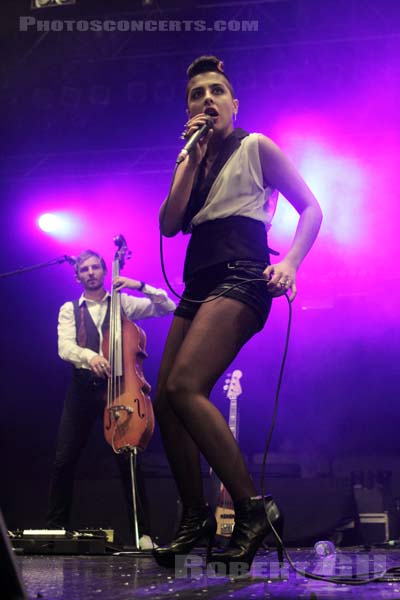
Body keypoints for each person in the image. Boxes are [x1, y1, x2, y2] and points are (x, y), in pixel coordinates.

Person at [153, 56, 323, 572]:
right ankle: (196, 515)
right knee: (164, 400)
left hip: (242, 276)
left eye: (217, 91)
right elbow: (168, 225)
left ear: (233, 103)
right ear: (187, 109)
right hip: (197, 283)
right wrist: (188, 157)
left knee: (186, 386)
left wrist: (290, 263)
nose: (207, 99)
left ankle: (253, 508)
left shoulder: (256, 147)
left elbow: (311, 208)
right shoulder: (192, 159)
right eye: (196, 94)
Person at [46, 249, 176, 550]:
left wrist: (138, 285)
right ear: (77, 275)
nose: (90, 273)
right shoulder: (69, 309)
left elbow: (166, 306)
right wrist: (91, 356)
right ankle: (54, 530)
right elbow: (64, 348)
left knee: (128, 459)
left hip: (120, 389)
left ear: (105, 271)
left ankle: (143, 535)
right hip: (82, 388)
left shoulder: (123, 303)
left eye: (95, 267)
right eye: (84, 269)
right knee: (64, 460)